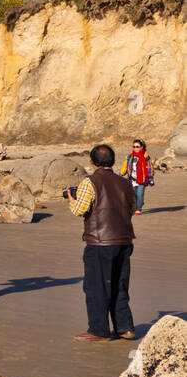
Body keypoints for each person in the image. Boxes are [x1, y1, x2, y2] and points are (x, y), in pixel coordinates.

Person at [66, 144, 137, 342]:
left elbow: (79, 210)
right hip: (124, 239)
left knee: (96, 286)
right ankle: (125, 328)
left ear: (91, 161)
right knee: (119, 284)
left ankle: (99, 330)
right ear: (113, 162)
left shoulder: (90, 182)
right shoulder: (125, 182)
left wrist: (71, 199)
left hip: (100, 242)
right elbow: (133, 208)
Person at [118, 139, 153, 215]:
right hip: (132, 179)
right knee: (133, 195)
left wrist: (150, 177)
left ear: (141, 147)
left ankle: (138, 209)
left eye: (137, 146)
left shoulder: (146, 157)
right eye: (134, 147)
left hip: (142, 179)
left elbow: (150, 167)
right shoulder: (130, 157)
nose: (135, 148)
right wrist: (121, 173)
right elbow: (125, 166)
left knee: (140, 194)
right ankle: (139, 203)